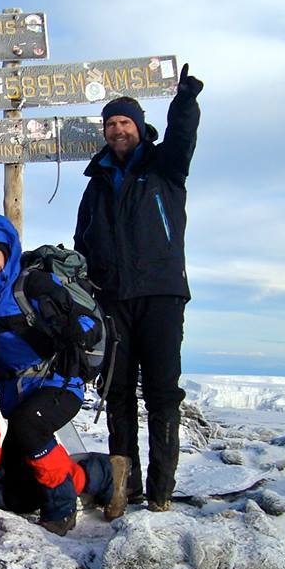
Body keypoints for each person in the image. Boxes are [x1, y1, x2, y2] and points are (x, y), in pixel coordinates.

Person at [74, 64, 203, 512]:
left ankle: (161, 491)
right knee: (119, 393)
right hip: (113, 301)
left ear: (139, 127)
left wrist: (184, 104)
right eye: (110, 124)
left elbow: (183, 139)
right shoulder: (95, 187)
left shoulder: (164, 168)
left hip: (162, 293)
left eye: (124, 122)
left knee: (164, 392)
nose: (117, 130)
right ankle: (122, 488)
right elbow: (81, 243)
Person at [0, 214, 130, 534]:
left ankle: (62, 507)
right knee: (20, 496)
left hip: (60, 382)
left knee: (28, 428)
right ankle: (102, 474)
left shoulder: (31, 284)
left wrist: (71, 333)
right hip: (22, 394)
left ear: (7, 255)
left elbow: (87, 327)